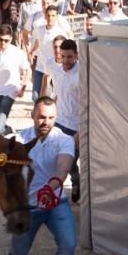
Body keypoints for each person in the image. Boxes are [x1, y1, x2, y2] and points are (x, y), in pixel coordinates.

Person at [0, 96, 77, 255]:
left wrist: (51, 187)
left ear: (56, 118)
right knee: (18, 254)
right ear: (32, 115)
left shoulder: (65, 140)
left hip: (56, 203)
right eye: (42, 116)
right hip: (28, 209)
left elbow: (63, 167)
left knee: (69, 244)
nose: (46, 121)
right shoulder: (18, 139)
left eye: (51, 117)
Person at [46, 39, 82, 202]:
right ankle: (52, 192)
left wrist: (81, 131)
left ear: (76, 56)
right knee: (55, 159)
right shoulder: (55, 68)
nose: (66, 60)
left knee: (71, 161)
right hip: (59, 123)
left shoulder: (82, 74)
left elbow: (88, 104)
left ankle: (76, 184)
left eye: (69, 57)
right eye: (63, 56)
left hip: (76, 126)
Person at [0, 24, 30, 136]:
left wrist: (23, 87)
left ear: (11, 39)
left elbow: (27, 71)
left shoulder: (18, 53)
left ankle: (10, 132)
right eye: (0, 40)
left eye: (6, 40)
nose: (3, 43)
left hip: (10, 91)